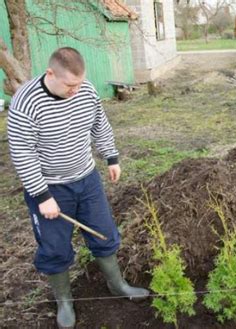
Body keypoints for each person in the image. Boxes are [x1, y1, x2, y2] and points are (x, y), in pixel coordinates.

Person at [7, 47, 149, 328]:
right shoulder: (25, 102)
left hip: (86, 179)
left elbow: (99, 124)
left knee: (105, 233)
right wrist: (42, 196)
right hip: (49, 188)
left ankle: (117, 285)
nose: (76, 90)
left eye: (80, 84)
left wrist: (111, 156)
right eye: (70, 85)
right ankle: (65, 302)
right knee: (55, 248)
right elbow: (22, 152)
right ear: (51, 74)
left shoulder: (85, 91)